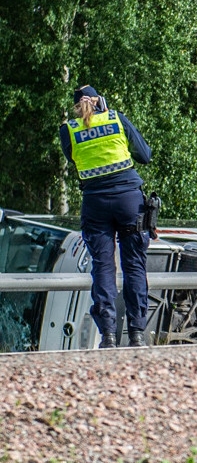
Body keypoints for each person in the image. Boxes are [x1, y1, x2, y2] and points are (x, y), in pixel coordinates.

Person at [59, 86, 153, 348]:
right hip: (128, 201)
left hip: (95, 203)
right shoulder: (116, 119)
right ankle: (136, 333)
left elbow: (74, 159)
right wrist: (107, 111)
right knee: (134, 265)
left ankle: (109, 336)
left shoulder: (68, 130)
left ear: (76, 106)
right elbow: (145, 155)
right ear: (100, 100)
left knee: (103, 266)